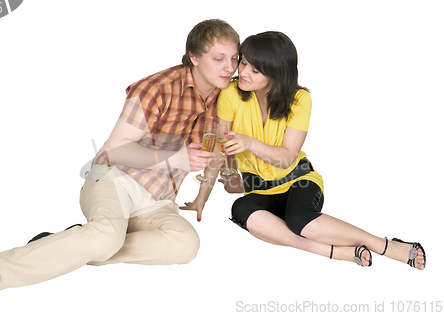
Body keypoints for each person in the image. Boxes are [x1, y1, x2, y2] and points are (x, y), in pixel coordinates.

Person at [0, 19, 240, 307]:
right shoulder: (158, 88)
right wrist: (178, 158)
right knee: (106, 238)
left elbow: (221, 149)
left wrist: (204, 196)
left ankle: (67, 243)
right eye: (219, 59)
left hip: (159, 198)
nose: (229, 67)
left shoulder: (227, 100)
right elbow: (117, 150)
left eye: (234, 59)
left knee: (186, 245)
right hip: (115, 178)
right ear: (194, 57)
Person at [183, 31, 426, 269]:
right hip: (258, 189)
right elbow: (218, 148)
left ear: (276, 73)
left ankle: (384, 245)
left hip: (297, 181)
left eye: (255, 69)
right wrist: (202, 197)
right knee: (241, 209)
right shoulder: (231, 94)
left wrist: (249, 143)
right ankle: (334, 252)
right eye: (244, 62)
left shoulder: (299, 100)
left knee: (299, 220)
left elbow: (287, 158)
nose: (242, 72)